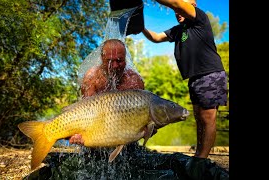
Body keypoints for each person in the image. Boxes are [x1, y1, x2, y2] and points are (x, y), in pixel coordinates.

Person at [142, 0, 228, 159]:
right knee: (199, 119)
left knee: (208, 119)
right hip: (194, 78)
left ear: (192, 5)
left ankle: (200, 161)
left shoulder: (199, 19)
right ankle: (199, 157)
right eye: (176, 11)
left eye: (181, 8)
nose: (177, 12)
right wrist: (140, 27)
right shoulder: (177, 30)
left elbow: (176, 3)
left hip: (211, 73)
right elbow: (155, 37)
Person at [69, 38, 145, 145]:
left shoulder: (135, 81)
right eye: (109, 61)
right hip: (96, 136)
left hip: (127, 141)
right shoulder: (91, 78)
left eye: (119, 60)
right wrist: (79, 135)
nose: (114, 66)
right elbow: (86, 115)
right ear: (102, 58)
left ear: (125, 59)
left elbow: (141, 119)